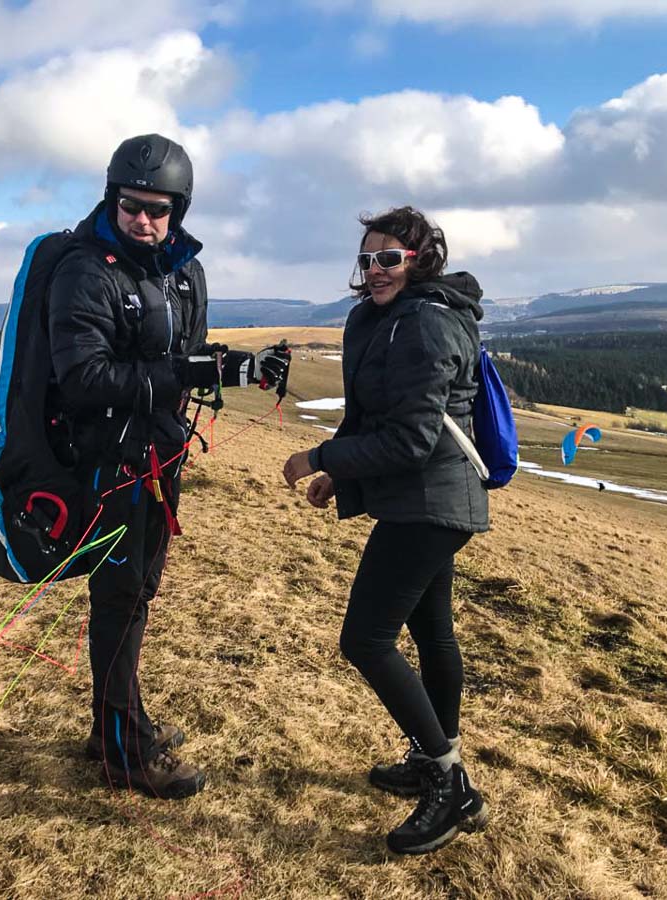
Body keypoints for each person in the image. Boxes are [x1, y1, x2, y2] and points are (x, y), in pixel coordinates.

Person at [47, 134, 290, 800]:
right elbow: (83, 379)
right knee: (120, 599)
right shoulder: (85, 270)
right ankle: (124, 753)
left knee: (138, 594)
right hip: (109, 464)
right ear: (112, 200)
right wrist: (180, 374)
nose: (143, 221)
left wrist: (241, 368)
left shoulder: (184, 271)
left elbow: (185, 355)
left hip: (161, 455)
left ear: (177, 210)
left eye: (158, 210)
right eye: (131, 206)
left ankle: (114, 726)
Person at [282, 206, 490, 855]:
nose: (375, 270)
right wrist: (340, 474)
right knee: (431, 632)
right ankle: (435, 761)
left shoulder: (426, 322)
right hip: (422, 499)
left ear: (419, 260)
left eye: (389, 259)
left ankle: (450, 785)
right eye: (367, 259)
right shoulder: (382, 318)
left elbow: (410, 439)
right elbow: (371, 415)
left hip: (430, 502)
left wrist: (319, 457)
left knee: (366, 639)